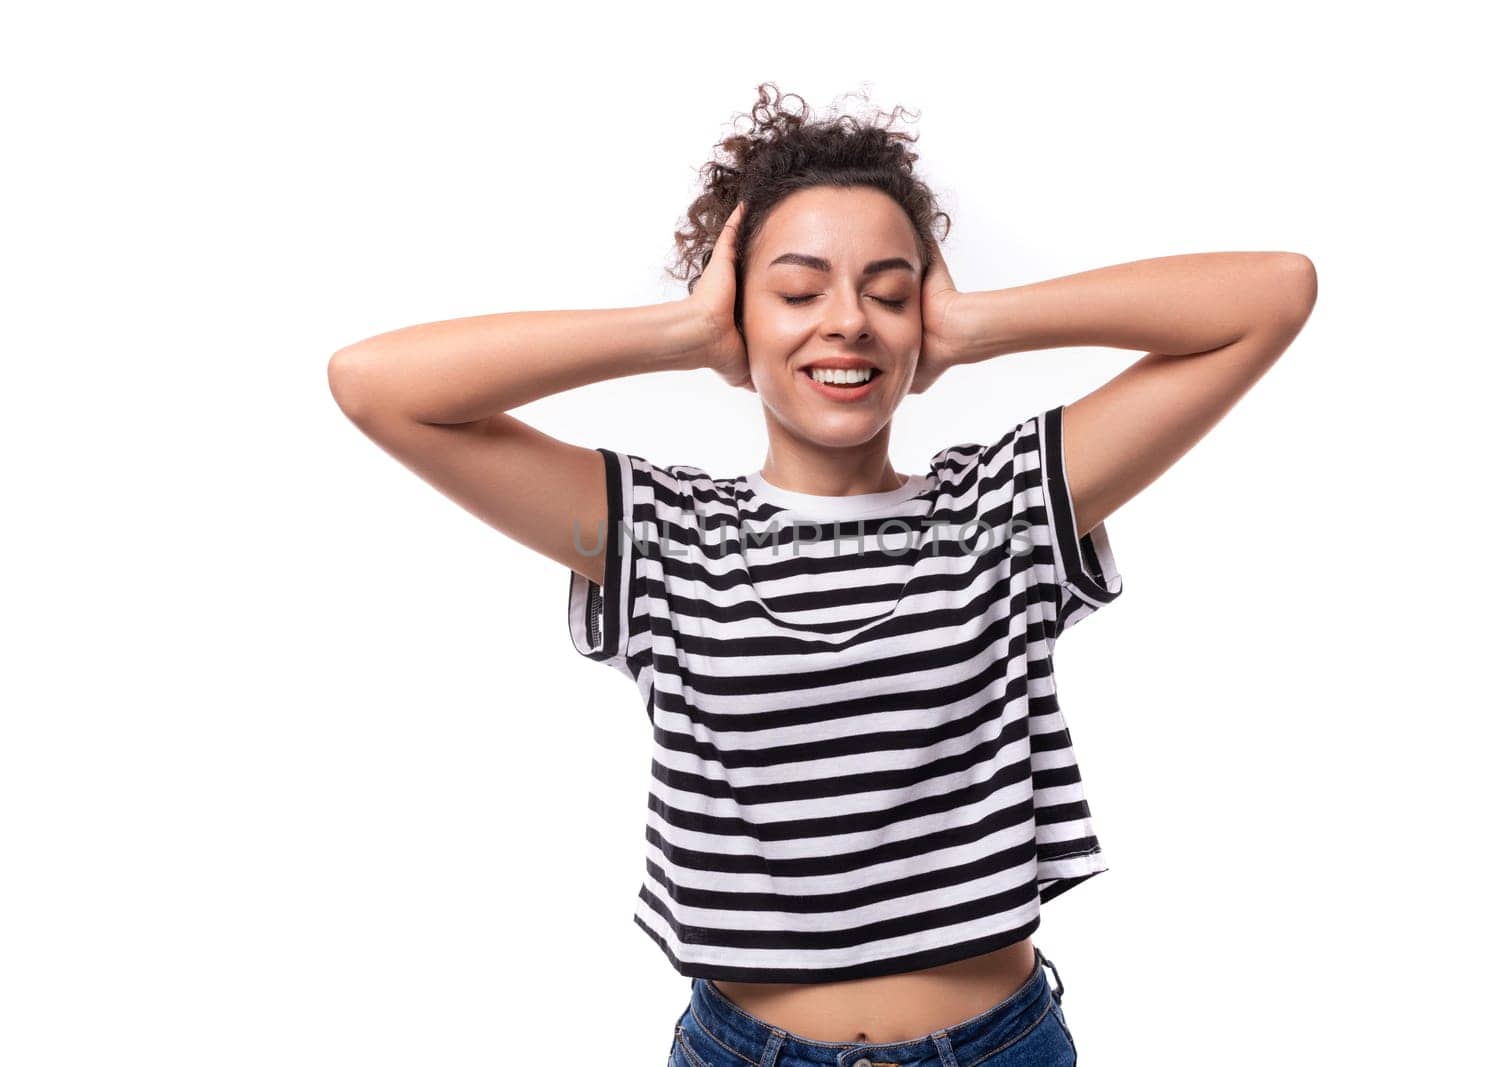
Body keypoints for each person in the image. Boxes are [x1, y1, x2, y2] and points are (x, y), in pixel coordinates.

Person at [327, 82, 1316, 1066]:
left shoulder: (1003, 506)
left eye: (888, 292)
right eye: (798, 292)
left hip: (997, 1046)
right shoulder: (661, 534)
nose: (846, 320)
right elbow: (378, 387)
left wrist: (972, 327)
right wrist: (680, 334)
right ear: (735, 316)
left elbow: (1272, 293)